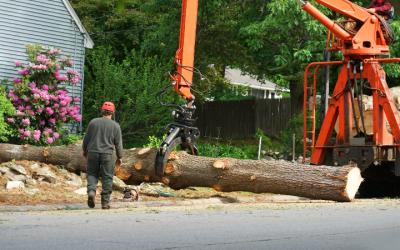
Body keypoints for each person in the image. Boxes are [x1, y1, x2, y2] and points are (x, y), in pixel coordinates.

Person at [82, 102, 123, 209]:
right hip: (107, 154)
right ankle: (105, 202)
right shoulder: (115, 125)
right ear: (113, 112)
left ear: (102, 111)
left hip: (92, 152)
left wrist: (84, 150)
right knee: (107, 176)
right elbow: (118, 143)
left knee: (91, 174)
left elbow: (86, 138)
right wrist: (119, 157)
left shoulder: (93, 122)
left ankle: (91, 192)